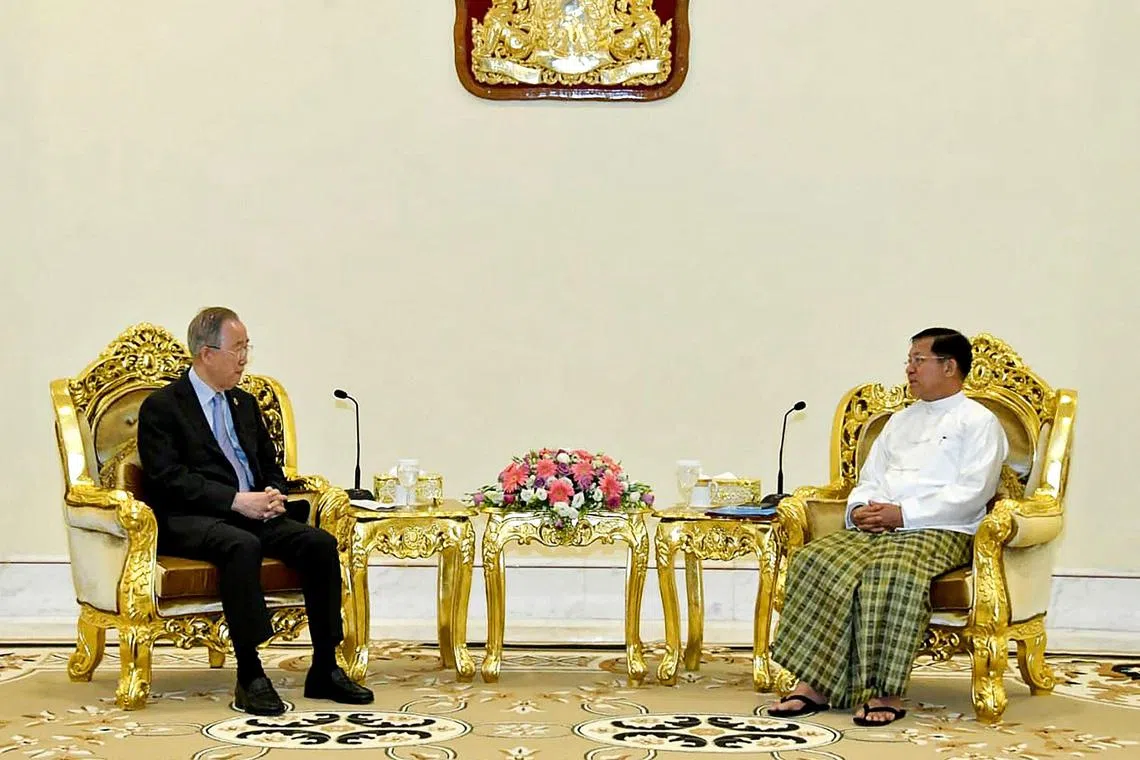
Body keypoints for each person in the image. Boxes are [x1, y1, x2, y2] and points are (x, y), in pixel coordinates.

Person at [138, 307, 373, 715]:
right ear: (206, 353)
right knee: (240, 545)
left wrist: (273, 493)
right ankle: (250, 674)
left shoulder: (244, 403)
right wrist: (234, 500)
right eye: (238, 348)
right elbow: (168, 479)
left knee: (319, 543)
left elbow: (270, 464)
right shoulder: (163, 407)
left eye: (248, 347)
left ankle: (324, 667)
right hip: (193, 518)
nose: (245, 358)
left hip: (253, 511)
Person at [768, 328, 1008, 726]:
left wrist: (905, 514)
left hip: (942, 529)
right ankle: (815, 682)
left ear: (949, 367)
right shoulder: (899, 420)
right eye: (909, 360)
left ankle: (884, 691)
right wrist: (861, 508)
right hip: (881, 526)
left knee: (890, 572)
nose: (909, 369)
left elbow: (973, 491)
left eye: (919, 360)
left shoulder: (979, 422)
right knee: (815, 560)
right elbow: (871, 476)